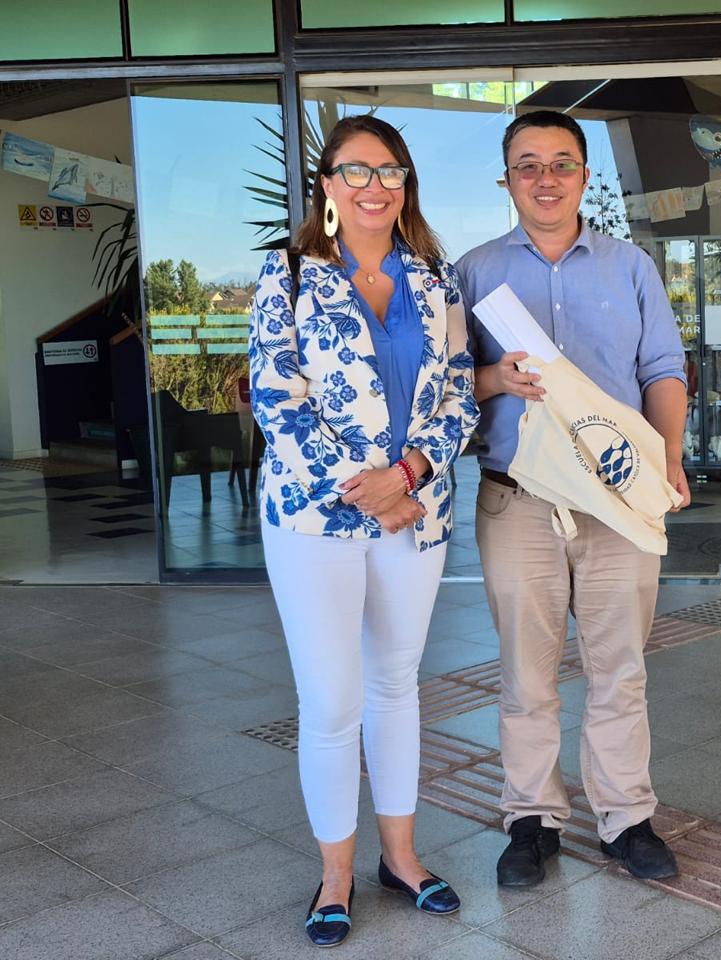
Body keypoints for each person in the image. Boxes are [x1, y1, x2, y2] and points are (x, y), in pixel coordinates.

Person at [249, 115, 478, 946]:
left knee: (395, 687)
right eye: (356, 170)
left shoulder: (435, 279)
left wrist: (408, 474)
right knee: (331, 699)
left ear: (407, 185)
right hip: (316, 519)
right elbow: (277, 400)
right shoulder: (288, 274)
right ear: (327, 185)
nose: (374, 186)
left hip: (416, 513)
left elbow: (460, 392)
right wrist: (370, 492)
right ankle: (336, 875)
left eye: (390, 172)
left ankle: (401, 859)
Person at [456, 109, 690, 888]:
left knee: (619, 668)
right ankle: (532, 820)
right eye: (528, 164)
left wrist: (668, 461)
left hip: (617, 499)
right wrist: (495, 378)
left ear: (586, 176)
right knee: (526, 674)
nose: (546, 178)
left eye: (562, 163)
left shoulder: (630, 266)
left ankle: (626, 819)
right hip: (517, 500)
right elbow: (447, 388)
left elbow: (663, 370)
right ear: (507, 180)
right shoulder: (473, 272)